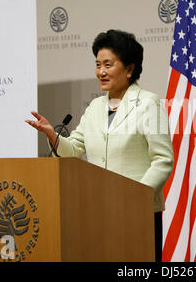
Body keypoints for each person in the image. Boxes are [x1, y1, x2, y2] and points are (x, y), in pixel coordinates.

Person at [25, 29, 174, 262]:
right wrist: (53, 135)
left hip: (138, 213)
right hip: (99, 212)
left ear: (129, 69)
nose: (101, 72)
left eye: (108, 64)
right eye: (97, 65)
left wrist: (137, 197)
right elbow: (74, 149)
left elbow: (163, 160)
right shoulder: (95, 107)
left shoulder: (148, 103)